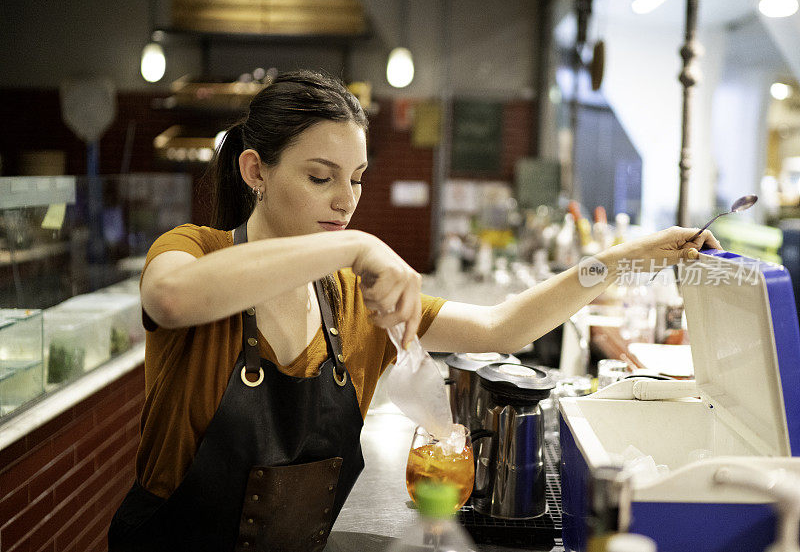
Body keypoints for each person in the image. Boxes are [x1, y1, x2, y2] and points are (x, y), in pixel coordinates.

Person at [107, 70, 721, 552]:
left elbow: (500, 327)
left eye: (357, 179)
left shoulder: (351, 302)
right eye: (321, 177)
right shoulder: (193, 250)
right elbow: (171, 298)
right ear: (255, 171)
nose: (346, 200)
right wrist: (356, 245)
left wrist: (619, 259)